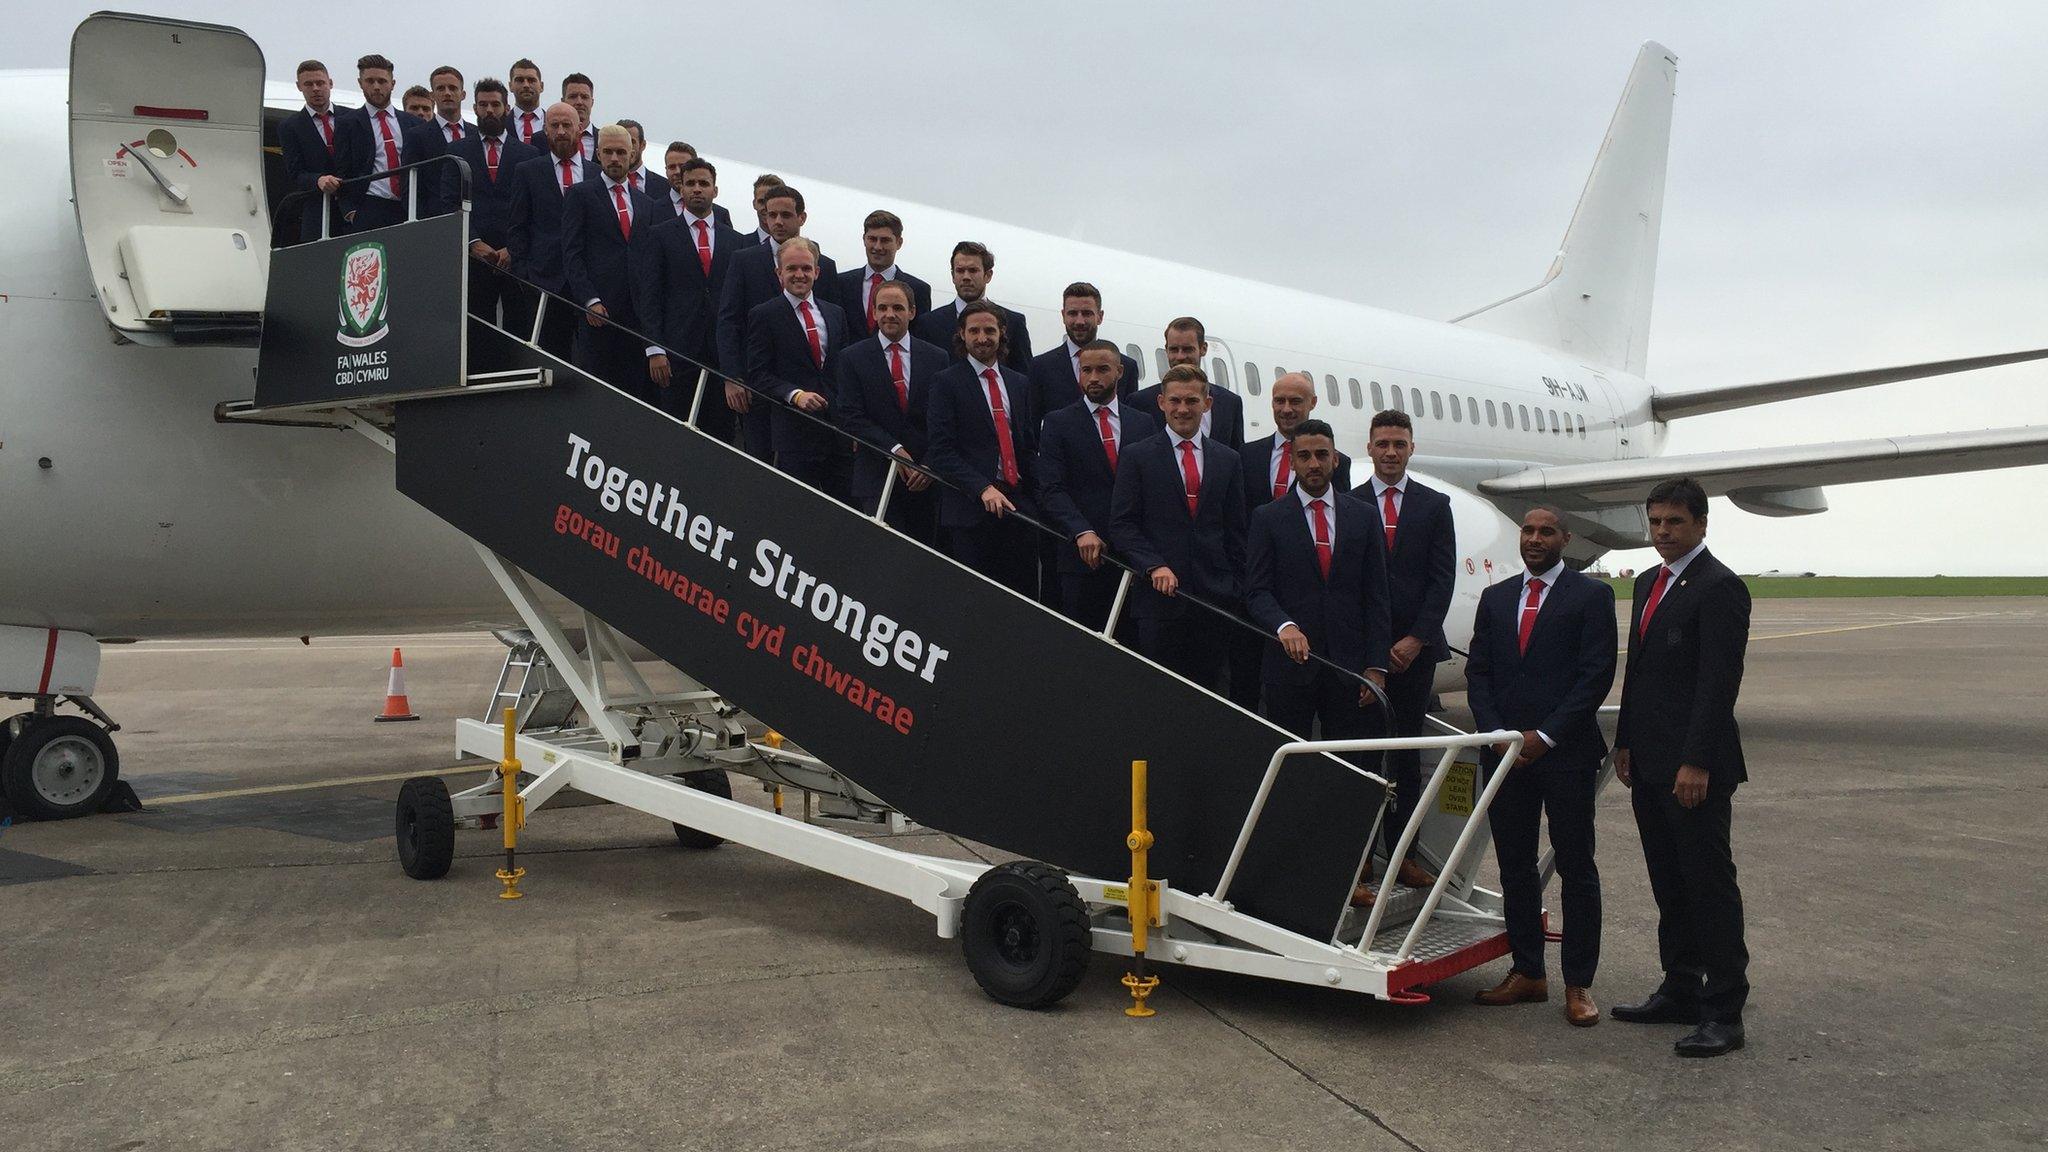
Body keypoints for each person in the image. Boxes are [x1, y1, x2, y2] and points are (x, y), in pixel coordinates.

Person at [1611, 476, 1752, 1059]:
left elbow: (1718, 685)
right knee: (1669, 882)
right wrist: (1624, 742)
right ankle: (1680, 987)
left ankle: (1725, 1010)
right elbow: (1639, 673)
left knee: (1708, 884)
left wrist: (1695, 761)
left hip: (1695, 768)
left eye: (1674, 522)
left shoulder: (1720, 588)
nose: (1663, 532)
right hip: (1648, 762)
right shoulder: (1648, 583)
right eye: (1656, 522)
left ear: (1701, 524)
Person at [1465, 507, 1617, 1026]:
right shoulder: (1496, 597)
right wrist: (1503, 736)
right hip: (1506, 753)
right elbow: (1478, 672)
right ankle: (1528, 971)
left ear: (1565, 539)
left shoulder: (1592, 597)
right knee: (1514, 866)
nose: (1534, 538)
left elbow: (1595, 677)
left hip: (1566, 752)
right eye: (1527, 530)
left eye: (1545, 531)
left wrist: (1545, 735)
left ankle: (1578, 984)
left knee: (1577, 867)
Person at [1352, 408, 1455, 893]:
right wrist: (1372, 650)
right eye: (1382, 444)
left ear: (1411, 448)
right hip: (1366, 657)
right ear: (1369, 448)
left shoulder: (1435, 506)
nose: (1390, 452)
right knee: (1364, 757)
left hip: (1414, 653)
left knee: (1407, 758)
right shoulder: (1349, 504)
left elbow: (1442, 580)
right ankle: (1363, 854)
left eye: (1399, 444)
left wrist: (1416, 638)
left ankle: (1404, 854)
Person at [1244, 419, 1389, 742]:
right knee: (1290, 766)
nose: (1314, 463)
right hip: (1289, 668)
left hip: (1349, 671)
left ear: (1335, 459)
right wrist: (1284, 626)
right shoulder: (1268, 518)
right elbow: (1256, 591)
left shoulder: (1364, 516)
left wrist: (1377, 666)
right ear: (1292, 461)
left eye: (1322, 455)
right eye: (1304, 455)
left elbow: (1377, 595)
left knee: (1349, 768)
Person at [1109, 365, 1247, 691]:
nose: (1182, 409)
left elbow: (1236, 531)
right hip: (1158, 602)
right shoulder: (1137, 456)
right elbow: (1122, 524)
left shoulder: (1228, 460)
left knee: (1212, 695)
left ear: (1207, 404)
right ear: (1161, 403)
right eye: (1175, 401)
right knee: (1159, 694)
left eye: (1191, 401)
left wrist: (1234, 587)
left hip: (1214, 601)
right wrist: (1153, 565)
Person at [1036, 340, 1158, 632]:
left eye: (1102, 369)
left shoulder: (1143, 423)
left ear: (1119, 371)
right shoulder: (1057, 423)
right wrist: (1081, 530)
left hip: (1134, 559)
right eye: (1086, 370)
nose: (1093, 377)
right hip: (1082, 558)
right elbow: (1051, 488)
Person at [717, 184, 842, 462]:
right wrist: (732, 376)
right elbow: (729, 320)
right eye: (771, 215)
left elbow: (833, 328)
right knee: (760, 463)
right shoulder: (743, 259)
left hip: (814, 398)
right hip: (757, 386)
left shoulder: (826, 267)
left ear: (801, 218)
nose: (777, 222)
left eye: (785, 215)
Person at [925, 301, 1038, 595]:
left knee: (1019, 598)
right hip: (970, 510)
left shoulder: (1019, 383)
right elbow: (941, 451)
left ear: (1002, 334)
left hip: (1016, 509)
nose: (982, 338)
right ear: (962, 334)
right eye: (974, 330)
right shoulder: (946, 382)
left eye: (989, 330)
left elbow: (1025, 445)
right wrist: (982, 488)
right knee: (971, 599)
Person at [834, 279, 946, 545]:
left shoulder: (937, 357)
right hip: (876, 475)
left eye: (897, 307)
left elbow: (944, 419)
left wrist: (929, 463)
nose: (889, 314)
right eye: (882, 308)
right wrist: (894, 450)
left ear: (912, 312)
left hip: (924, 480)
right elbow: (851, 416)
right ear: (873, 312)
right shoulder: (852, 357)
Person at [636, 156, 742, 434]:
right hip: (676, 351)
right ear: (680, 189)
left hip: (721, 356)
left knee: (721, 433)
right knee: (674, 431)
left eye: (704, 184)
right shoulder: (659, 235)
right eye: (691, 183)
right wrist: (654, 348)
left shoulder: (735, 241)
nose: (697, 189)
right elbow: (650, 295)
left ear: (715, 191)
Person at [745, 238, 851, 500]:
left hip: (837, 434)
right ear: (779, 273)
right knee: (794, 507)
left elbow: (844, 372)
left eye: (806, 268)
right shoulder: (764, 315)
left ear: (817, 272)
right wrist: (795, 395)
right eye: (791, 269)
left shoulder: (835, 313)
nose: (799, 275)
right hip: (793, 435)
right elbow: (757, 374)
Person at [562, 124, 661, 403]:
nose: (615, 158)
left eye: (621, 152)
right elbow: (572, 252)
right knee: (596, 392)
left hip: (635, 317)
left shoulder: (646, 204)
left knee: (633, 393)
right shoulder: (580, 195)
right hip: (598, 313)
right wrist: (589, 299)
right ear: (598, 155)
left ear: (632, 154)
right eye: (608, 152)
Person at [450, 78, 539, 324]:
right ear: (475, 108)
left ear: (506, 109)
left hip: (516, 258)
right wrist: (473, 242)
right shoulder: (456, 152)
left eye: (495, 105)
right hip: (474, 258)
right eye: (483, 104)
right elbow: (448, 201)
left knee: (519, 325)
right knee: (478, 327)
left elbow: (535, 208)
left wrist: (513, 248)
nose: (489, 110)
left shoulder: (528, 155)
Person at [504, 102, 588, 360]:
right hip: (543, 280)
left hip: (587, 282)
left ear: (580, 129)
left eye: (567, 125)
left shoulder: (596, 174)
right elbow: (517, 226)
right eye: (555, 125)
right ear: (545, 130)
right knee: (549, 356)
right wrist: (524, 274)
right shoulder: (528, 171)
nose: (561, 131)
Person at [343, 55, 438, 231]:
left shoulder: (412, 123)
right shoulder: (348, 123)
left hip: (409, 207)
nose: (376, 86)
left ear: (393, 83)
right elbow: (342, 168)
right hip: (370, 206)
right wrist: (350, 211)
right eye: (370, 81)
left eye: (382, 81)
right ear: (360, 83)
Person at [1025, 282, 1140, 420]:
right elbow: (1033, 423)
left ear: (1100, 316)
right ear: (1063, 315)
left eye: (1086, 313)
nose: (1079, 321)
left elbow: (1131, 421)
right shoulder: (1041, 367)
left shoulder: (1127, 367)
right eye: (1073, 313)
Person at [1241, 371, 1353, 512]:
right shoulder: (1247, 455)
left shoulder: (1338, 464)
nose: (1286, 409)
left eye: (1295, 401)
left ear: (1313, 402)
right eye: (1280, 401)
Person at [912, 241, 1032, 371]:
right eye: (960, 271)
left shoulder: (1013, 322)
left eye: (973, 270)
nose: (966, 277)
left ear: (988, 275)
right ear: (953, 275)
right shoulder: (929, 324)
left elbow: (1024, 377)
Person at [1129, 317, 1245, 450]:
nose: (1180, 357)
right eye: (1174, 350)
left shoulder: (1230, 403)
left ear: (1203, 349)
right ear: (1166, 350)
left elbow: (1236, 454)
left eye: (1187, 349)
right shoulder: (1141, 402)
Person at [277, 59, 360, 243]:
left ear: (330, 83)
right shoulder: (290, 126)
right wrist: (317, 180)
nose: (315, 88)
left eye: (320, 83)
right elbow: (295, 173)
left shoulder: (353, 117)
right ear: (299, 86)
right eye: (309, 84)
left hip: (355, 207)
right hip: (317, 211)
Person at [837, 210, 934, 337]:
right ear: (864, 239)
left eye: (885, 240)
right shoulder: (841, 283)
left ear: (899, 243)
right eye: (872, 239)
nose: (877, 247)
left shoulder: (918, 289)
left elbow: (919, 337)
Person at [427, 66, 473, 144]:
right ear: (432, 95)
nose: (447, 93)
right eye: (441, 89)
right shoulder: (417, 136)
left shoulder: (478, 134)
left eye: (452, 88)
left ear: (463, 95)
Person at [507, 58, 546, 148]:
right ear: (510, 86)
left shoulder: (554, 124)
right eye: (520, 80)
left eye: (531, 80)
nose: (526, 85)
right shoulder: (501, 125)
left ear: (542, 86)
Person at [617, 119, 660, 199]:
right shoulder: (600, 184)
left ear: (643, 145)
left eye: (632, 141)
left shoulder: (664, 185)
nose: (627, 147)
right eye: (622, 142)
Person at [737, 174, 784, 246]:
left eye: (772, 202)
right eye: (762, 201)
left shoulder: (799, 248)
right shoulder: (738, 245)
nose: (767, 207)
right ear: (754, 204)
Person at [560, 73, 597, 160]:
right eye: (573, 96)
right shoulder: (545, 139)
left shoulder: (604, 140)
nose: (579, 102)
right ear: (563, 101)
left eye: (584, 97)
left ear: (592, 102)